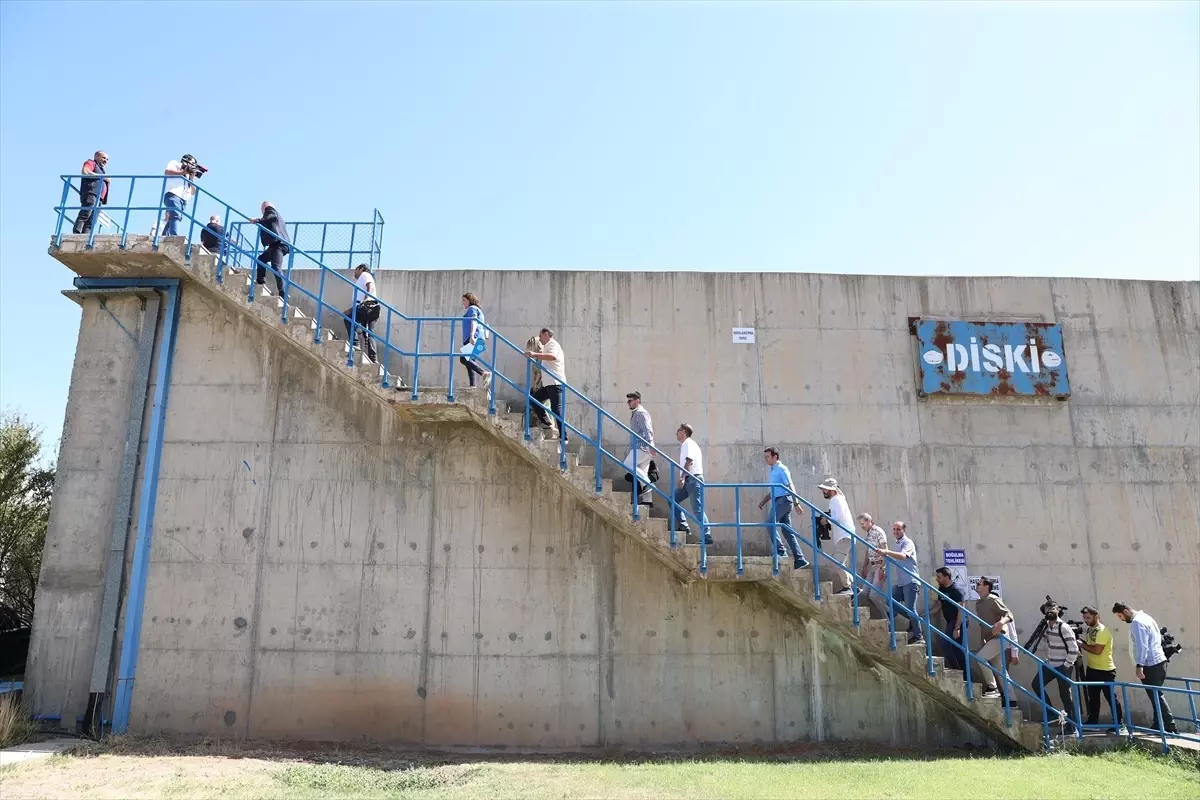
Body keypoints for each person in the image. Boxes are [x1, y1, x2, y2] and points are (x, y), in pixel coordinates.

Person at [1113, 602, 1178, 734]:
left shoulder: (1137, 622)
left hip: (1150, 664)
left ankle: (1171, 726)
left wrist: (1139, 665)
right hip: (1159, 662)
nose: (1121, 619)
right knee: (1155, 695)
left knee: (1156, 696)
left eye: (1120, 616)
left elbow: (1142, 646)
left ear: (1125, 611)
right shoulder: (1146, 617)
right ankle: (1157, 724)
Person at [1029, 599, 1080, 735]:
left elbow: (1074, 649)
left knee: (1065, 696)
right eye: (1047, 609)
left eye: (1053, 609)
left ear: (1058, 611)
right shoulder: (1047, 626)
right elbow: (1047, 642)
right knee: (1036, 684)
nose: (1050, 611)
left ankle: (1072, 725)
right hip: (1050, 664)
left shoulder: (1063, 627)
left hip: (1063, 665)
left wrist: (1066, 665)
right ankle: (1051, 714)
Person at [756, 447, 810, 570]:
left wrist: (796, 503)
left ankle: (780, 551)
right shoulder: (773, 470)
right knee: (787, 531)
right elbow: (775, 489)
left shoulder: (781, 469)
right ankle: (800, 559)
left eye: (767, 457)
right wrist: (764, 501)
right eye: (765, 457)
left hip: (784, 500)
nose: (766, 460)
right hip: (778, 500)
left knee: (770, 523)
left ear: (775, 457)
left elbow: (789, 486)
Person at [877, 521, 924, 645]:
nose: (896, 532)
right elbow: (891, 558)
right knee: (890, 602)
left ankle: (919, 636)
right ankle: (913, 618)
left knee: (910, 608)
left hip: (911, 581)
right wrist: (883, 568)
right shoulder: (897, 544)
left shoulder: (907, 543)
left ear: (904, 530)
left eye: (898, 529)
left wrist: (886, 552)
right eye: (894, 529)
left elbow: (903, 556)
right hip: (901, 583)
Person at [1079, 605, 1124, 731]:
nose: (1086, 620)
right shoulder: (1089, 630)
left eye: (1088, 617)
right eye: (1084, 618)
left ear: (1096, 616)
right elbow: (1089, 645)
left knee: (1110, 697)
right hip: (1092, 668)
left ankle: (1119, 724)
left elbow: (1097, 650)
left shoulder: (1102, 631)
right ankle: (1093, 722)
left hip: (1105, 670)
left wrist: (1081, 644)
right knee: (1093, 697)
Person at [972, 577, 1016, 698]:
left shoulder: (993, 599)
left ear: (987, 586)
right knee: (1001, 671)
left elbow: (1009, 614)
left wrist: (1001, 623)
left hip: (1000, 637)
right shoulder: (979, 603)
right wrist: (983, 642)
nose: (976, 585)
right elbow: (983, 625)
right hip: (990, 640)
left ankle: (992, 687)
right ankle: (1012, 700)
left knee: (980, 658)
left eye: (979, 584)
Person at [524, 328, 566, 441]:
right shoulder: (547, 346)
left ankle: (564, 436)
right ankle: (546, 422)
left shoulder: (553, 344)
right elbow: (546, 366)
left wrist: (535, 354)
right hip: (548, 384)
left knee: (556, 409)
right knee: (533, 399)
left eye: (540, 336)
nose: (540, 339)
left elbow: (553, 356)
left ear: (546, 334)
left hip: (555, 383)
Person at [673, 423, 711, 545]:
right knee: (672, 500)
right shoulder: (686, 444)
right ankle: (684, 526)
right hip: (689, 480)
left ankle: (707, 536)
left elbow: (689, 461)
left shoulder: (688, 443)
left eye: (678, 430)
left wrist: (682, 477)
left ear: (683, 431)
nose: (676, 433)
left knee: (697, 509)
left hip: (693, 479)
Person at [816, 478, 854, 594]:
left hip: (844, 536)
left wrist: (825, 520)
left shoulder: (836, 500)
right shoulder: (838, 499)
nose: (823, 491)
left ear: (832, 490)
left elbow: (838, 517)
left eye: (825, 489)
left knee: (836, 562)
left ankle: (848, 587)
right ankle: (853, 586)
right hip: (844, 536)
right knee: (839, 562)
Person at [249, 201, 290, 297]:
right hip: (276, 244)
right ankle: (260, 282)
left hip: (278, 244)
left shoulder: (270, 210)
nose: (262, 211)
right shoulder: (278, 216)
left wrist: (256, 220)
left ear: (264, 207)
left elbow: (271, 217)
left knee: (276, 267)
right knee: (261, 259)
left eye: (262, 209)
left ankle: (283, 292)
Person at [621, 392, 655, 506]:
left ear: (637, 401)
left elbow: (647, 430)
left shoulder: (640, 413)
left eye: (630, 401)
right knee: (641, 475)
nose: (628, 403)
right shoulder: (637, 413)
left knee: (627, 464)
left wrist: (650, 445)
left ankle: (648, 484)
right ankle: (645, 502)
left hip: (642, 447)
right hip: (643, 447)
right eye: (628, 401)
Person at [343, 264, 380, 363]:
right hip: (373, 307)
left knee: (348, 319)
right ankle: (374, 360)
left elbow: (370, 286)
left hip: (367, 305)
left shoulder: (365, 274)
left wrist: (367, 297)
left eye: (356, 270)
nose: (354, 273)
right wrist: (351, 310)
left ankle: (355, 343)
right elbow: (358, 300)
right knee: (369, 333)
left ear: (361, 269)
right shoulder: (363, 279)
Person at [930, 567, 965, 671]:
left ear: (947, 577)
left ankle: (959, 671)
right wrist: (926, 613)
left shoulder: (957, 590)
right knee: (956, 648)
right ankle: (965, 674)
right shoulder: (941, 589)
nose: (937, 579)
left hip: (958, 621)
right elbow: (939, 606)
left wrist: (957, 628)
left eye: (939, 577)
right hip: (950, 622)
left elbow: (961, 610)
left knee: (945, 644)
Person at [856, 513, 889, 617]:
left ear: (869, 521)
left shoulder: (878, 531)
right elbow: (868, 550)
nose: (862, 526)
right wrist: (864, 566)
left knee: (874, 595)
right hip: (872, 565)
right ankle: (889, 610)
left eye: (863, 524)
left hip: (880, 565)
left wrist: (883, 568)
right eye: (860, 524)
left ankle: (887, 620)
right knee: (865, 593)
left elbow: (885, 549)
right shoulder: (868, 533)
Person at [458, 293, 491, 389]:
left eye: (464, 300)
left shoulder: (472, 308)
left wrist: (472, 336)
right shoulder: (478, 310)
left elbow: (474, 321)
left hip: (474, 338)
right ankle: (473, 385)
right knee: (470, 362)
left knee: (463, 359)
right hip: (478, 340)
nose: (463, 303)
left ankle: (484, 373)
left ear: (469, 300)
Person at [162, 154, 199, 237]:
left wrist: (191, 178)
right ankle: (174, 237)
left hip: (184, 200)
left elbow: (193, 192)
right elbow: (167, 172)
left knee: (173, 217)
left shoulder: (189, 175)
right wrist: (183, 172)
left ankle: (165, 236)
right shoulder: (176, 164)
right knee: (175, 216)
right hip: (173, 194)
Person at [73, 150, 109, 234]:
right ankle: (77, 233)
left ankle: (86, 236)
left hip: (99, 198)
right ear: (96, 156)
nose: (105, 160)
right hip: (91, 193)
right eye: (103, 158)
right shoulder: (91, 163)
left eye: (107, 159)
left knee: (93, 219)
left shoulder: (102, 170)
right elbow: (85, 171)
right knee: (86, 213)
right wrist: (102, 176)